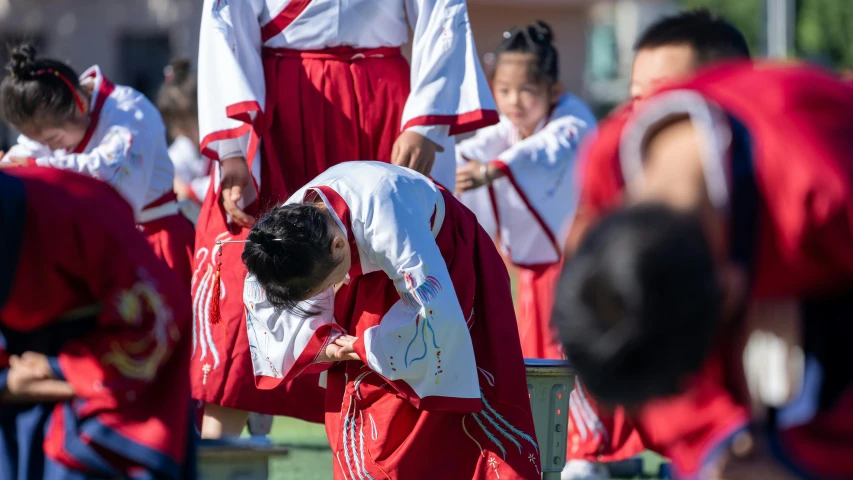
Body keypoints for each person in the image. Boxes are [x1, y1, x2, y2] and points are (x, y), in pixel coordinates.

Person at [193, 0, 498, 437]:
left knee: (387, 290)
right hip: (273, 108)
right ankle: (229, 443)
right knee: (256, 273)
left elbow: (442, 10)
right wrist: (232, 150)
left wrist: (426, 123)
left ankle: (391, 446)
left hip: (383, 107)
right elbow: (225, 18)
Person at [556, 61, 853, 479]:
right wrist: (716, 448)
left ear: (730, 290)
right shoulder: (606, 167)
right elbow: (648, 342)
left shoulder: (826, 180)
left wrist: (802, 462)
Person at [240, 161, 539, 479]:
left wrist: (366, 345)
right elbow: (260, 291)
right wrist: (324, 344)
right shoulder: (282, 235)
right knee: (362, 397)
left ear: (338, 246)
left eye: (325, 286)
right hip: (372, 278)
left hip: (442, 261)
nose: (328, 292)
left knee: (419, 413)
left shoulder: (387, 218)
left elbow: (435, 316)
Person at [560, 11, 752, 478]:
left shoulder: (813, 168)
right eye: (637, 98)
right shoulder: (607, 162)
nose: (645, 117)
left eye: (668, 97)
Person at [0, 167, 195, 479]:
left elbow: (159, 317)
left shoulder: (81, 209)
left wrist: (59, 372)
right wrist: (9, 382)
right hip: (16, 366)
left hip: (110, 368)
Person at [455, 21, 596, 360]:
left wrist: (492, 170)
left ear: (554, 90)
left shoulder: (572, 121)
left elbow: (542, 152)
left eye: (526, 89)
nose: (513, 100)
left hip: (576, 257)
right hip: (536, 268)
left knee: (569, 345)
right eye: (503, 90)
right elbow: (480, 145)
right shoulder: (513, 124)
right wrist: (451, 165)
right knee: (530, 343)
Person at [0, 44, 195, 285]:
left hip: (155, 244)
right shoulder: (54, 117)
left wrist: (35, 167)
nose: (52, 149)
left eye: (53, 140)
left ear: (80, 106)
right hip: (99, 248)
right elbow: (22, 157)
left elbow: (107, 173)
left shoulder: (129, 112)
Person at [157, 58, 210, 215]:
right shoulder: (176, 155)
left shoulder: (222, 147)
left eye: (187, 124)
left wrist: (188, 190)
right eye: (176, 125)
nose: (179, 131)